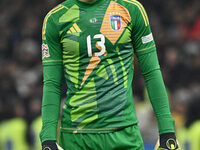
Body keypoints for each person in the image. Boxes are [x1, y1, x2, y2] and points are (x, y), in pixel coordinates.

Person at [40, 0, 179, 149]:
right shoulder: (56, 18)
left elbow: (151, 72)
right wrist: (48, 139)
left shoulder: (130, 9)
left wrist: (167, 131)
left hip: (125, 135)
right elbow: (52, 84)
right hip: (76, 138)